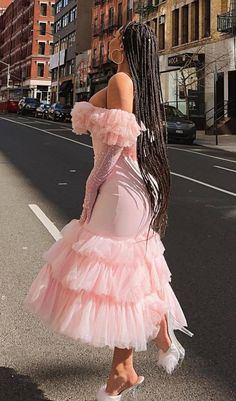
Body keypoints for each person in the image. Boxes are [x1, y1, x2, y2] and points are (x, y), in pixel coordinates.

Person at [24, 21, 194, 401]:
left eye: (119, 37)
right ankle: (150, 346)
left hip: (121, 184)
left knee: (118, 271)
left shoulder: (123, 83)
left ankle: (124, 370)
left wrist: (92, 183)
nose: (112, 39)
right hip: (129, 184)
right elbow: (92, 114)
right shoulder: (124, 81)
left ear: (128, 44)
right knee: (128, 268)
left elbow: (116, 144)